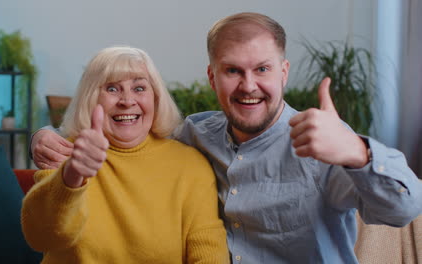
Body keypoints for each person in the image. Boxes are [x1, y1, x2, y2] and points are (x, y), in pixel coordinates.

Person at [30, 13, 422, 263]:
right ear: (212, 77)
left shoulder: (323, 143)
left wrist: (357, 152)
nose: (248, 85)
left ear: (283, 72)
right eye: (233, 70)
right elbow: (124, 140)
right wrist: (45, 139)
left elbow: (406, 209)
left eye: (262, 69)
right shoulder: (196, 135)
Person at [21, 46, 229, 263]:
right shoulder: (66, 155)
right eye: (112, 89)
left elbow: (208, 249)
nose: (127, 101)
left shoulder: (191, 164)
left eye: (139, 88)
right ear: (91, 98)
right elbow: (42, 239)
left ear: (156, 97)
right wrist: (72, 176)